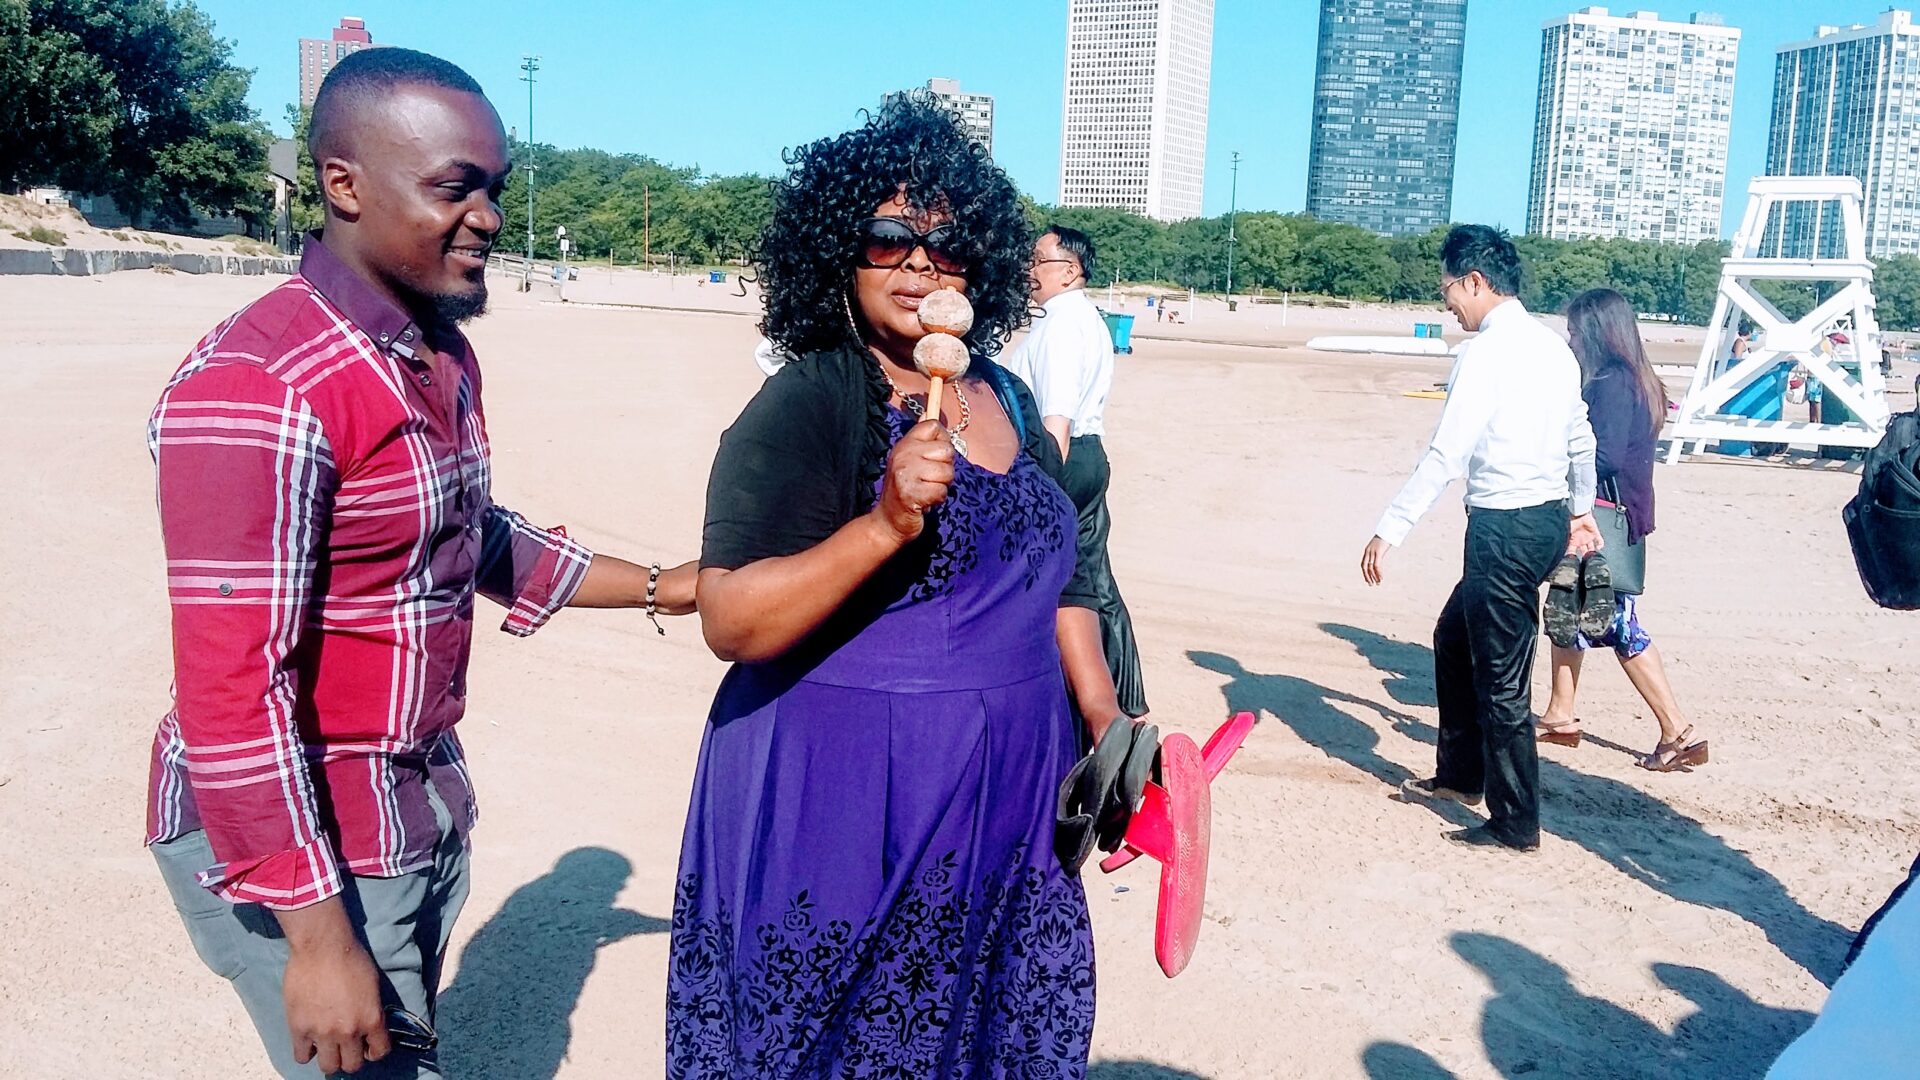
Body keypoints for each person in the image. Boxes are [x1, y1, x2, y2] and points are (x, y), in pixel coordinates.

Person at [144, 48, 696, 1078]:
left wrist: (678, 585)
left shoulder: (434, 352)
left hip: (411, 808)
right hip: (308, 845)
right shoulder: (260, 387)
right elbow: (231, 694)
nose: (486, 215)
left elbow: (465, 535)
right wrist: (316, 941)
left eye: (494, 186)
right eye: (453, 187)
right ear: (342, 184)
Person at [668, 98, 1100, 1076]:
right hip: (855, 790)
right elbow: (732, 617)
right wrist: (883, 525)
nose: (917, 265)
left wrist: (1106, 719)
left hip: (1015, 792)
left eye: (945, 246)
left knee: (992, 1029)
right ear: (840, 251)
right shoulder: (813, 398)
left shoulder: (1006, 394)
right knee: (857, 1037)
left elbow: (1054, 579)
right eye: (888, 238)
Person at [1359, 225, 1601, 854]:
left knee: (1502, 677)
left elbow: (1447, 452)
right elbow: (1581, 437)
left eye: (1449, 289)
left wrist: (1392, 527)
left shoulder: (1486, 353)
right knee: (1452, 636)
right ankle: (1462, 775)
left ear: (1475, 281)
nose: (1447, 303)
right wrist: (1578, 511)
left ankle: (1516, 820)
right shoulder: (1554, 349)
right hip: (1544, 519)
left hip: (1504, 526)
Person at [1534, 289, 1708, 771]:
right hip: (1621, 514)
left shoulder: (1612, 381)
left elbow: (1604, 455)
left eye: (1574, 330)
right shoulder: (1639, 378)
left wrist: (1552, 457)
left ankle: (1677, 730)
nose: (1569, 338)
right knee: (1568, 607)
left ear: (1594, 332)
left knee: (1615, 622)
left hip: (1605, 519)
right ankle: (1560, 714)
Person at [1006, 224, 1150, 720]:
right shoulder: (1082, 317)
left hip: (1061, 456)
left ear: (1068, 271)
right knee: (1094, 577)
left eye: (1037, 260)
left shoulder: (1063, 324)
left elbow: (1056, 415)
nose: (1029, 269)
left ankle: (1102, 705)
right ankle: (1125, 701)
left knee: (1071, 585)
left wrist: (1043, 485)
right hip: (1087, 455)